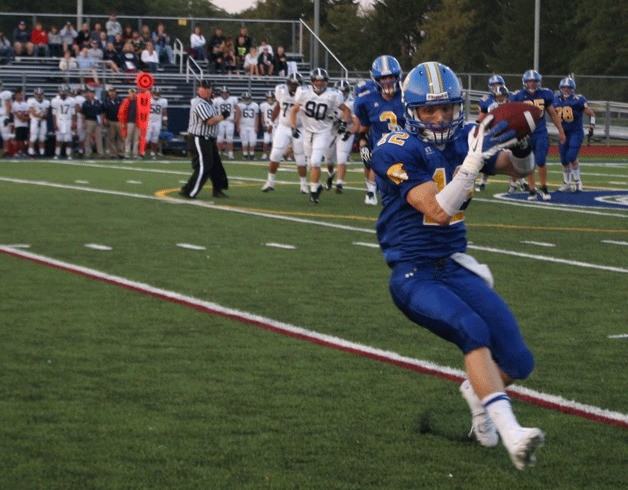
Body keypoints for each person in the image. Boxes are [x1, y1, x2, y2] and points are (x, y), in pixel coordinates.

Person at [371, 61, 543, 471]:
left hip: (451, 265)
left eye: (447, 108)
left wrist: (520, 147)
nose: (440, 117)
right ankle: (513, 434)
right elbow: (437, 209)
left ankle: (477, 392)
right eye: (430, 111)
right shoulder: (394, 146)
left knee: (519, 361)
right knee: (473, 330)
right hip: (413, 272)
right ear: (412, 111)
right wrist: (471, 163)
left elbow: (519, 170)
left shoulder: (466, 136)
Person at [290, 68, 351, 204]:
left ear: (326, 82)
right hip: (307, 131)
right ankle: (317, 186)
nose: (319, 83)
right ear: (312, 81)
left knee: (316, 161)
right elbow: (294, 111)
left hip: (323, 131)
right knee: (310, 162)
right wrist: (293, 127)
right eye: (316, 80)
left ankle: (313, 193)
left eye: (322, 81)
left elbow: (346, 110)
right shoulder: (303, 92)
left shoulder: (333, 94)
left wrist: (343, 123)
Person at [354, 55, 406, 205]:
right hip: (380, 141)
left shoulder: (406, 96)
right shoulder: (366, 100)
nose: (388, 81)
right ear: (376, 80)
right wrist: (363, 145)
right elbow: (364, 127)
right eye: (383, 78)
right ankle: (370, 193)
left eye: (390, 77)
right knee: (377, 163)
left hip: (404, 140)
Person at [510, 69, 566, 201]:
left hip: (540, 132)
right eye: (529, 82)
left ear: (538, 82)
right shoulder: (518, 96)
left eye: (534, 82)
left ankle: (544, 187)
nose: (531, 84)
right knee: (529, 162)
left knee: (541, 160)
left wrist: (561, 131)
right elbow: (512, 115)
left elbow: (552, 114)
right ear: (524, 82)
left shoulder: (545, 94)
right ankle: (532, 188)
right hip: (525, 134)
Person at [476, 76, 528, 194]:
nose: (500, 98)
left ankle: (515, 184)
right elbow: (486, 119)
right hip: (496, 134)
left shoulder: (512, 103)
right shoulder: (491, 105)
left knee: (513, 157)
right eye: (498, 97)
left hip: (509, 133)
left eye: (502, 96)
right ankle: (483, 182)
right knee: (488, 157)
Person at [179, 79, 230, 199]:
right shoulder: (199, 103)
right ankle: (188, 191)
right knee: (204, 166)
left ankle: (218, 190)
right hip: (199, 138)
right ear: (199, 89)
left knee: (216, 165)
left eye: (208, 88)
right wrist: (223, 116)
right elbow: (209, 121)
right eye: (204, 88)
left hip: (209, 139)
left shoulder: (209, 103)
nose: (207, 90)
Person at [261, 72, 308, 193]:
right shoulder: (281, 91)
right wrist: (271, 123)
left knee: (300, 157)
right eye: (292, 84)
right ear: (288, 84)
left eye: (297, 84)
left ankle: (303, 185)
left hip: (299, 127)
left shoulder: (305, 93)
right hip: (283, 126)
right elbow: (277, 107)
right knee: (275, 153)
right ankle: (270, 182)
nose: (294, 86)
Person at [553, 77, 596, 193]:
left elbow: (591, 114)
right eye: (564, 88)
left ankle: (577, 181)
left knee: (571, 156)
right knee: (563, 159)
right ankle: (567, 183)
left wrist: (591, 127)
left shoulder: (578, 99)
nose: (566, 90)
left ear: (573, 89)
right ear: (560, 89)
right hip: (563, 132)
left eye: (568, 88)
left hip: (575, 132)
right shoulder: (555, 100)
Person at [324, 80, 356, 194]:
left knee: (341, 157)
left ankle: (339, 183)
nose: (342, 95)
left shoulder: (352, 103)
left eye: (344, 92)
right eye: (340, 92)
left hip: (346, 130)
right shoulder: (328, 99)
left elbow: (357, 123)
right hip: (331, 130)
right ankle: (331, 174)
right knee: (328, 160)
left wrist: (348, 131)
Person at [212, 86, 240, 159]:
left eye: (226, 93)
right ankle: (218, 154)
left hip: (229, 121)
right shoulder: (217, 100)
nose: (224, 94)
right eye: (223, 93)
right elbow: (212, 110)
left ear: (228, 93)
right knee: (219, 139)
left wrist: (236, 119)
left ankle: (230, 154)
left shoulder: (232, 99)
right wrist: (215, 119)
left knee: (229, 138)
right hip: (220, 121)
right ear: (221, 93)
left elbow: (238, 110)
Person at [50, 84, 76, 160]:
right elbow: (54, 114)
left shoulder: (71, 101)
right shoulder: (55, 100)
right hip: (60, 120)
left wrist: (74, 122)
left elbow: (73, 113)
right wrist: (55, 124)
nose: (63, 94)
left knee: (68, 139)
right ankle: (57, 153)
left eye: (64, 92)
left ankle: (68, 154)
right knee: (59, 138)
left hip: (68, 120)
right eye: (62, 92)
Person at [102, 86, 124, 159]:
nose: (112, 93)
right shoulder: (106, 101)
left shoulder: (120, 100)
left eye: (113, 91)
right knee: (111, 138)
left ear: (115, 92)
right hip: (110, 121)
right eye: (110, 91)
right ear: (108, 92)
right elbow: (103, 111)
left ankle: (121, 153)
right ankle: (113, 154)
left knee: (120, 138)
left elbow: (124, 111)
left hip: (119, 121)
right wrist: (104, 119)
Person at [27, 88, 50, 157]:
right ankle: (31, 153)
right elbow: (33, 113)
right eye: (37, 94)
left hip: (43, 121)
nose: (39, 96)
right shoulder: (31, 101)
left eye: (40, 94)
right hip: (35, 121)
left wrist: (42, 117)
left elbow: (46, 112)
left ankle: (42, 153)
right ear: (35, 94)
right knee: (33, 137)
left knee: (42, 138)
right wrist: (41, 117)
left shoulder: (46, 102)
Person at [81, 87, 104, 158]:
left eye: (93, 92)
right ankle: (88, 153)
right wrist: (83, 122)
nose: (91, 94)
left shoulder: (98, 102)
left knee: (99, 138)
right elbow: (83, 114)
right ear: (88, 93)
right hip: (89, 121)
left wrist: (101, 121)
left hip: (97, 121)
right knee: (88, 138)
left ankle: (100, 154)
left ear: (94, 93)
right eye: (90, 93)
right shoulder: (85, 103)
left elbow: (101, 112)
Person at [118, 88, 140, 159]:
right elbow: (122, 112)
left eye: (133, 92)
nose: (132, 94)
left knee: (136, 139)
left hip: (138, 122)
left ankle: (135, 154)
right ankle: (127, 153)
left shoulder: (139, 101)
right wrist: (123, 122)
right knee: (128, 138)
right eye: (131, 93)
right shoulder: (126, 101)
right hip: (129, 122)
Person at [236, 92, 259, 160]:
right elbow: (237, 116)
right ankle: (245, 154)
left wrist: (256, 126)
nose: (246, 99)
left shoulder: (255, 105)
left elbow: (257, 117)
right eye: (245, 98)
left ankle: (252, 154)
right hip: (243, 125)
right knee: (244, 141)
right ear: (242, 99)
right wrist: (238, 126)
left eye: (247, 98)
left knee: (252, 141)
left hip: (252, 126)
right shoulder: (239, 105)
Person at [147, 87, 168, 159]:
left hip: (157, 121)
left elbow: (164, 111)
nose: (156, 94)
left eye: (158, 93)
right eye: (155, 93)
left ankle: (153, 153)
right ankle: (142, 152)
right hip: (149, 120)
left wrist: (164, 120)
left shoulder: (163, 101)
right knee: (146, 138)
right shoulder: (148, 100)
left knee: (155, 138)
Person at [11, 88, 30, 158]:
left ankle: (22, 152)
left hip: (25, 124)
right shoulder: (14, 104)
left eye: (21, 95)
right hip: (18, 124)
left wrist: (25, 118)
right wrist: (23, 118)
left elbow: (27, 114)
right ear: (15, 96)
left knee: (24, 140)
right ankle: (16, 152)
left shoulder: (25, 104)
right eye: (18, 95)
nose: (20, 96)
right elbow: (17, 114)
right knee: (17, 139)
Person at [259, 90, 275, 160]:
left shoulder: (277, 105)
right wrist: (263, 124)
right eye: (268, 98)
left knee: (274, 141)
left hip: (275, 124)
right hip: (267, 124)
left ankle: (273, 155)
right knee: (266, 141)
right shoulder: (263, 105)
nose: (270, 99)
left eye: (271, 97)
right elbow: (262, 116)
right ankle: (264, 154)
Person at [0, 82, 14, 157]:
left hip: (2, 116)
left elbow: (8, 106)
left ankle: (5, 152)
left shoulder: (5, 94)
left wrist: (7, 118)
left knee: (5, 135)